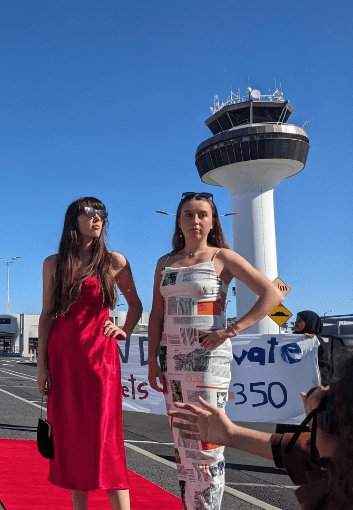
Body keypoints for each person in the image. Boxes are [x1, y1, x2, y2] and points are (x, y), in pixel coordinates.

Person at [147, 191, 284, 509]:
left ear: (212, 221)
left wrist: (232, 329)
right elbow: (157, 315)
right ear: (179, 222)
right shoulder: (165, 263)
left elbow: (272, 294)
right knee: (183, 445)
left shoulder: (222, 257)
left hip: (208, 361)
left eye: (202, 214)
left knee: (207, 443)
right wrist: (154, 361)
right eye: (188, 214)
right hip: (173, 362)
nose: (195, 220)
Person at [36, 197, 143, 510]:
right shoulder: (53, 263)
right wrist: (42, 366)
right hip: (64, 356)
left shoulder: (114, 261)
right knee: (70, 437)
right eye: (90, 213)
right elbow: (46, 315)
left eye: (102, 214)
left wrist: (125, 330)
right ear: (74, 220)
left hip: (100, 356)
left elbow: (135, 305)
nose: (98, 219)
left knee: (105, 437)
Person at [168, 356, 353, 510]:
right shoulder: (340, 461)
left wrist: (315, 421)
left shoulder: (342, 487)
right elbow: (289, 448)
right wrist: (230, 434)